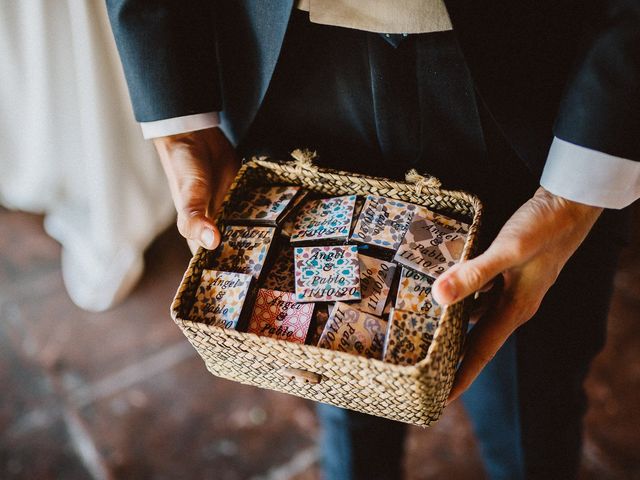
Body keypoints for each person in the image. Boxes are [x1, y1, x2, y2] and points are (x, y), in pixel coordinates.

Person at [106, 2, 639, 478]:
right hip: (282, 58)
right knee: (332, 375)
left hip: (534, 74)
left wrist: (574, 189)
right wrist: (177, 114)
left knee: (532, 401)